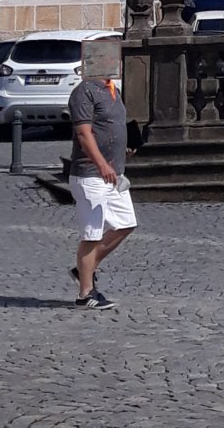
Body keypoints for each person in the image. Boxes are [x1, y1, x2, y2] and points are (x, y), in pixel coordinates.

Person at [68, 67, 136, 310]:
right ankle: (85, 294)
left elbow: (111, 127)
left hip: (114, 175)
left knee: (126, 223)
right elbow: (84, 134)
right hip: (91, 175)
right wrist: (101, 164)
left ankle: (83, 268)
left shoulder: (112, 90)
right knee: (92, 233)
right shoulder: (83, 91)